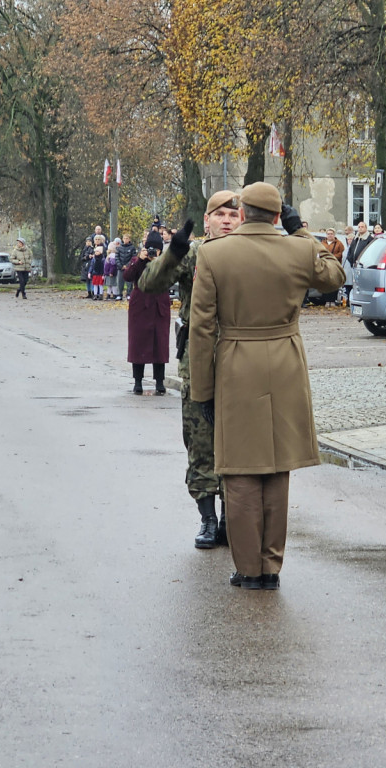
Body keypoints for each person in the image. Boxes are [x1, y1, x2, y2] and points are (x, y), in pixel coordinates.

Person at [189, 182, 345, 590]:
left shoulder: (213, 253)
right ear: (278, 216)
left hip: (237, 363)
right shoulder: (298, 249)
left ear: (241, 215)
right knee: (278, 468)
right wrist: (301, 232)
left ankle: (248, 569)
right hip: (286, 363)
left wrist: (202, 391)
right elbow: (334, 276)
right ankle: (271, 567)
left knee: (240, 472)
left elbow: (202, 330)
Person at [138, 190, 240, 548]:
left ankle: (232, 518)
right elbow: (148, 284)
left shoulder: (248, 253)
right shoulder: (194, 253)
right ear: (208, 219)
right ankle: (208, 519)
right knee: (200, 440)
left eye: (234, 215)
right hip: (198, 360)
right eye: (221, 214)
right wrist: (173, 253)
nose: (228, 220)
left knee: (238, 443)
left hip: (241, 360)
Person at [122, 247, 171, 395]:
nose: (151, 253)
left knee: (160, 344)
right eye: (148, 250)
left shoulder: (165, 262)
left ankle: (160, 382)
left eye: (155, 250)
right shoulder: (137, 262)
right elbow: (127, 276)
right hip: (140, 306)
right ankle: (138, 381)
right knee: (138, 343)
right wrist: (140, 261)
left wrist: (157, 263)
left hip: (158, 305)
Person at [345, 220, 373, 302]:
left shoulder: (369, 239)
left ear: (366, 228)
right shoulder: (356, 238)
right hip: (354, 265)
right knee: (355, 284)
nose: (360, 228)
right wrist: (351, 261)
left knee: (362, 284)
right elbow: (350, 251)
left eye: (362, 227)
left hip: (363, 266)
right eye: (359, 227)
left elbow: (369, 252)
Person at [320, 228, 345, 306]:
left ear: (334, 235)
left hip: (335, 265)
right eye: (328, 234)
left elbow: (341, 254)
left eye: (331, 234)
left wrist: (331, 256)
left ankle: (333, 300)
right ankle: (327, 300)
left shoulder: (339, 243)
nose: (330, 235)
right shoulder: (322, 243)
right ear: (326, 235)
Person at [117, 233, 137, 300]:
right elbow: (117, 257)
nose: (125, 240)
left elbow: (133, 258)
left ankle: (129, 294)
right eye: (124, 238)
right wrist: (120, 266)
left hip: (129, 268)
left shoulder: (132, 248)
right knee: (120, 282)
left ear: (129, 239)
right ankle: (119, 294)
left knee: (129, 282)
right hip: (121, 268)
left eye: (127, 238)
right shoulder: (119, 248)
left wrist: (127, 265)